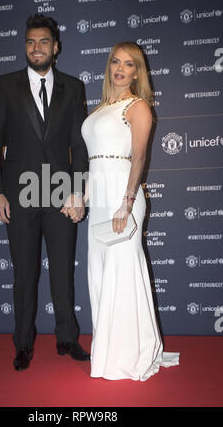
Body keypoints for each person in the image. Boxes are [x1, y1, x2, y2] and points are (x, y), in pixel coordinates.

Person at [0, 14, 90, 371]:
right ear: (24, 46)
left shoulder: (74, 88)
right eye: (30, 42)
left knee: (62, 271)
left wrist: (77, 190)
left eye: (44, 42)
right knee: (24, 273)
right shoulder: (5, 85)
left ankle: (66, 338)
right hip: (19, 194)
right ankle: (23, 344)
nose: (36, 48)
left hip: (60, 192)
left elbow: (78, 143)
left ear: (56, 47)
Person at [72, 42, 179, 380]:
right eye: (115, 62)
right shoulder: (102, 107)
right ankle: (107, 353)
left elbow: (139, 158)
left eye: (128, 64)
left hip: (122, 197)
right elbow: (95, 161)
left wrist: (127, 202)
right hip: (101, 197)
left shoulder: (138, 106)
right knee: (101, 276)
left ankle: (129, 355)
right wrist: (80, 197)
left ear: (137, 71)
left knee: (122, 273)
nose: (119, 68)